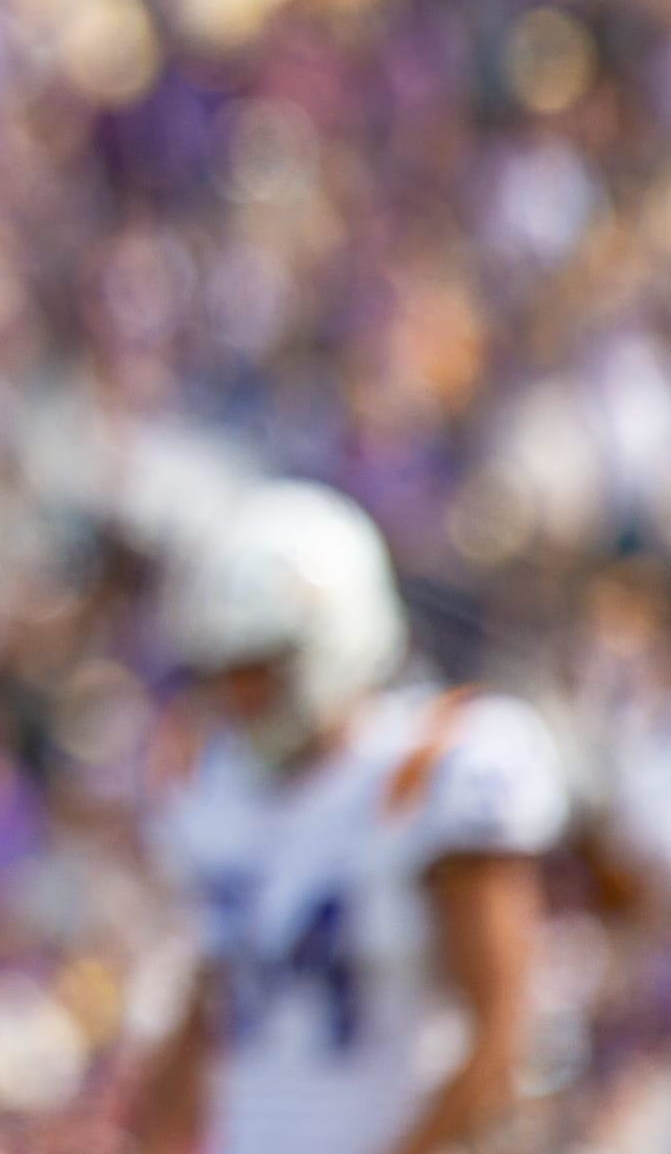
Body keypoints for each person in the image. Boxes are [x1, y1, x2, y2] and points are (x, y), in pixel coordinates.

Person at [136, 481, 568, 1154]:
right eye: (228, 669)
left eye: (262, 665)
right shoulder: (216, 791)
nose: (241, 692)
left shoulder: (428, 769)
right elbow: (213, 1011)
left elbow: (506, 1033)